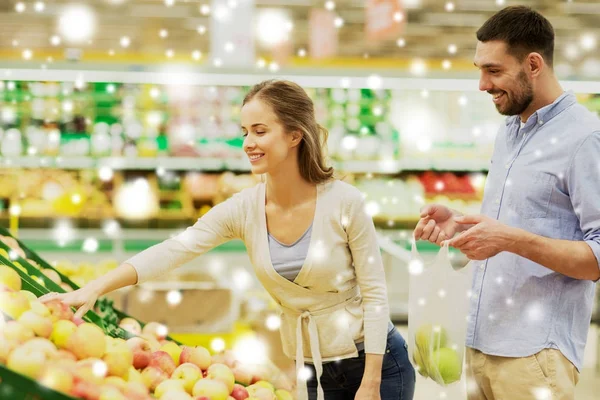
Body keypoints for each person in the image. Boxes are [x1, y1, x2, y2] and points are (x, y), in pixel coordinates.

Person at [41, 80, 416, 400]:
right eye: (244, 132)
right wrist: (93, 288)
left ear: (295, 135)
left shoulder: (344, 202)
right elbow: (175, 249)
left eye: (260, 130)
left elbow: (375, 293)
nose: (248, 143)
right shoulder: (244, 209)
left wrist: (371, 381)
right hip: (314, 366)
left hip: (378, 362)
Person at [414, 6, 600, 400]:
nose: (482, 84)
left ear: (533, 64)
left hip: (534, 356)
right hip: (480, 344)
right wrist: (460, 225)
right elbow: (512, 227)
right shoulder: (510, 132)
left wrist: (510, 239)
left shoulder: (586, 139)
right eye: (479, 69)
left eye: (494, 71)